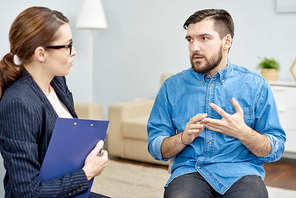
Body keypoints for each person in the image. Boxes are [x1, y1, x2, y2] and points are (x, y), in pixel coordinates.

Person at [147, 9, 286, 198]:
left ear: (226, 41)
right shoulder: (171, 87)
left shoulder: (255, 85)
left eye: (204, 38)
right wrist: (182, 139)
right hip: (190, 171)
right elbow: (155, 148)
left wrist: (243, 133)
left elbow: (275, 149)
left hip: (241, 172)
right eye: (190, 39)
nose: (194, 47)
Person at [0, 7, 108, 197]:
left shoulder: (57, 81)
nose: (74, 52)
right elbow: (27, 193)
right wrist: (86, 173)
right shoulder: (18, 103)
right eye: (67, 46)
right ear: (41, 54)